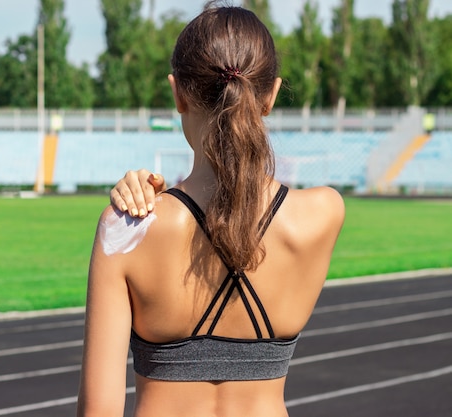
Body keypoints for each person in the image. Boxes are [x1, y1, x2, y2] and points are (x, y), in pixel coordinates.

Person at [77, 3, 345, 417]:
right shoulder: (323, 214)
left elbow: (98, 411)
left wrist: (152, 207)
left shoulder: (128, 228)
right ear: (270, 95)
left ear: (178, 93)